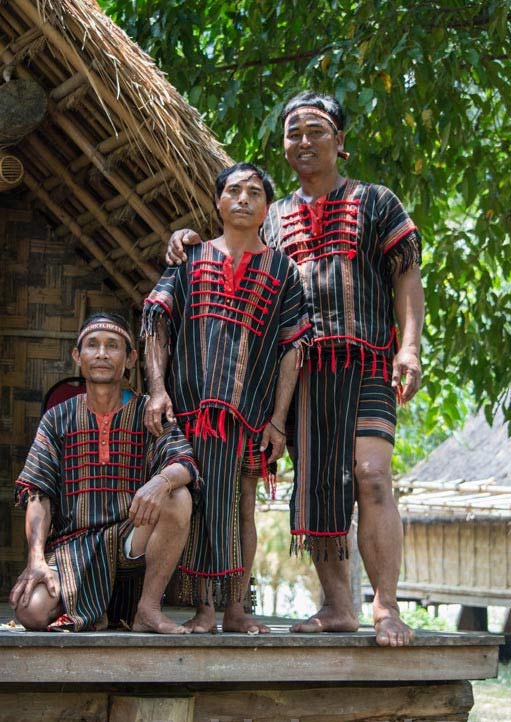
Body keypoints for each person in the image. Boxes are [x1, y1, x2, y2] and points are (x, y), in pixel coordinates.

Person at [166, 92, 424, 647]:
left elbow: (407, 276)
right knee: (316, 489)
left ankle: (385, 606)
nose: (303, 140)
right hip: (303, 376)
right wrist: (188, 241)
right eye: (293, 132)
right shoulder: (274, 215)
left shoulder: (378, 202)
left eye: (315, 129)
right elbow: (235, 254)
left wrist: (410, 348)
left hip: (368, 364)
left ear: (340, 141)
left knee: (373, 476)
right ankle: (337, 607)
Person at [142, 162, 311, 634]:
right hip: (190, 414)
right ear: (218, 203)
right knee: (198, 506)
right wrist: (157, 390)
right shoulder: (190, 258)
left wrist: (278, 420)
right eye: (232, 191)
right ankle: (204, 610)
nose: (242, 199)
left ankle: (236, 609)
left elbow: (293, 347)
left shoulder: (284, 271)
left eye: (253, 192)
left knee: (243, 508)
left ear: (266, 207)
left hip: (250, 416)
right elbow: (156, 317)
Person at [10, 313, 200, 634]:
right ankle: (97, 604)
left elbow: (186, 463)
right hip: (74, 550)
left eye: (113, 346)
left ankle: (147, 609)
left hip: (132, 541)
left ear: (130, 359)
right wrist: (36, 560)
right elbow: (37, 492)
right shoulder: (58, 418)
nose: (101, 354)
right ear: (77, 356)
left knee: (178, 495)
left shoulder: (147, 412)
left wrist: (161, 481)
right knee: (30, 611)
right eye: (92, 346)